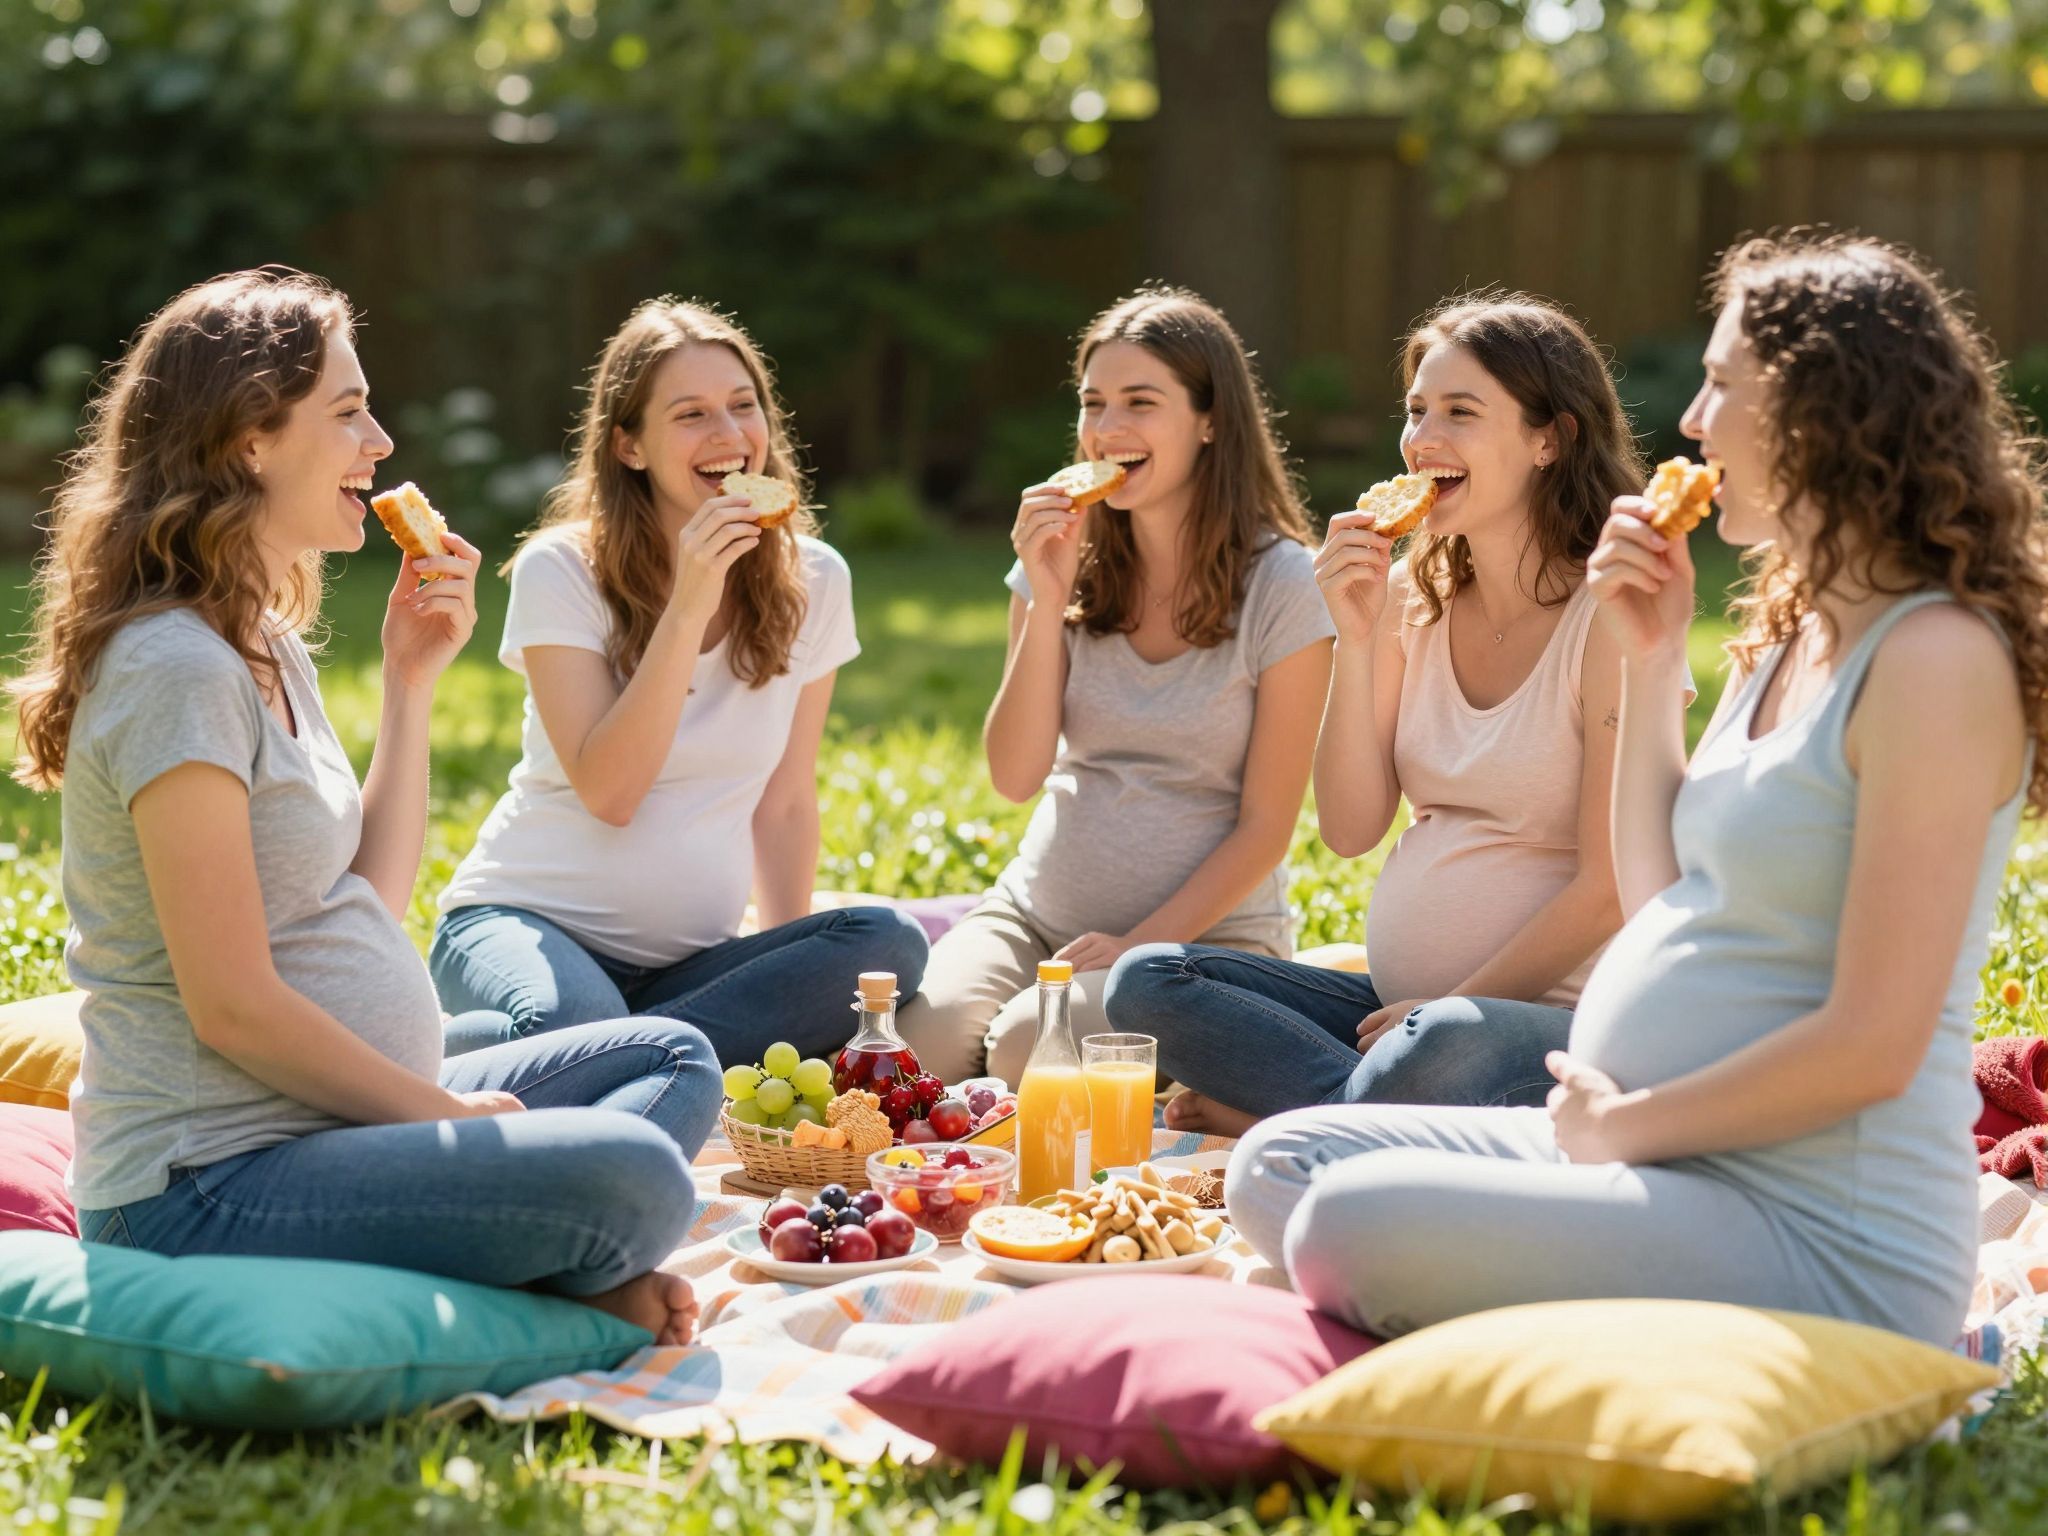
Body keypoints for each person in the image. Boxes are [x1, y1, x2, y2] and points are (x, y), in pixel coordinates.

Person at [1228, 233, 2047, 1348]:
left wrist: (1628, 1125)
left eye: (1720, 386)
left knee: (1338, 1223)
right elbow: (1666, 896)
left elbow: (1877, 1042)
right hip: (1665, 1156)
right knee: (1279, 1163)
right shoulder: (1790, 632)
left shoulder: (1933, 660)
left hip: (1818, 1225)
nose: (1694, 423)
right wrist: (1654, 660)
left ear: (1820, 409)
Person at [10, 269, 720, 1342]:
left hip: (333, 1121)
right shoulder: (175, 670)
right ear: (251, 439)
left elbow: (366, 900)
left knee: (670, 1057)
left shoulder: (259, 639)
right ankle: (546, 1272)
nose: (380, 443)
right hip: (208, 1182)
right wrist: (446, 1118)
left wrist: (409, 681)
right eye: (348, 414)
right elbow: (230, 1006)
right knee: (635, 1176)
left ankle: (528, 1252)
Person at [1109, 294, 1659, 1133]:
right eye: (1415, 411)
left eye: (1460, 413)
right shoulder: (1411, 598)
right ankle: (1360, 1114)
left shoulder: (1612, 618)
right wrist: (1357, 638)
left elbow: (1609, 890)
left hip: (1544, 1024)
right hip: (1396, 1016)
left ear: (1550, 439)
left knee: (1437, 1047)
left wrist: (1441, 1010)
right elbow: (1349, 828)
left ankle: (1290, 1118)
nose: (1421, 439)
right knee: (1146, 981)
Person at [430, 298, 927, 1060]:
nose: (729, 435)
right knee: (572, 1021)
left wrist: (786, 967)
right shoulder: (560, 569)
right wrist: (690, 599)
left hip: (691, 966)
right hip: (525, 923)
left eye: (743, 406)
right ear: (629, 446)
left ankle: (613, 1055)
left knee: (889, 945)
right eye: (691, 414)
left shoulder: (816, 579)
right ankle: (568, 1051)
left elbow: (786, 802)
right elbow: (612, 793)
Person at [894, 287, 1336, 1087]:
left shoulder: (1285, 585)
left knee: (1029, 1050)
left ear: (1210, 421)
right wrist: (1046, 594)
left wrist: (1138, 945)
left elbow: (1267, 829)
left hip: (1198, 946)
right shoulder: (1059, 560)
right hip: (1036, 916)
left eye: (1140, 402)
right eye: (1093, 403)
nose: (1106, 427)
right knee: (905, 1057)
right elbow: (1014, 775)